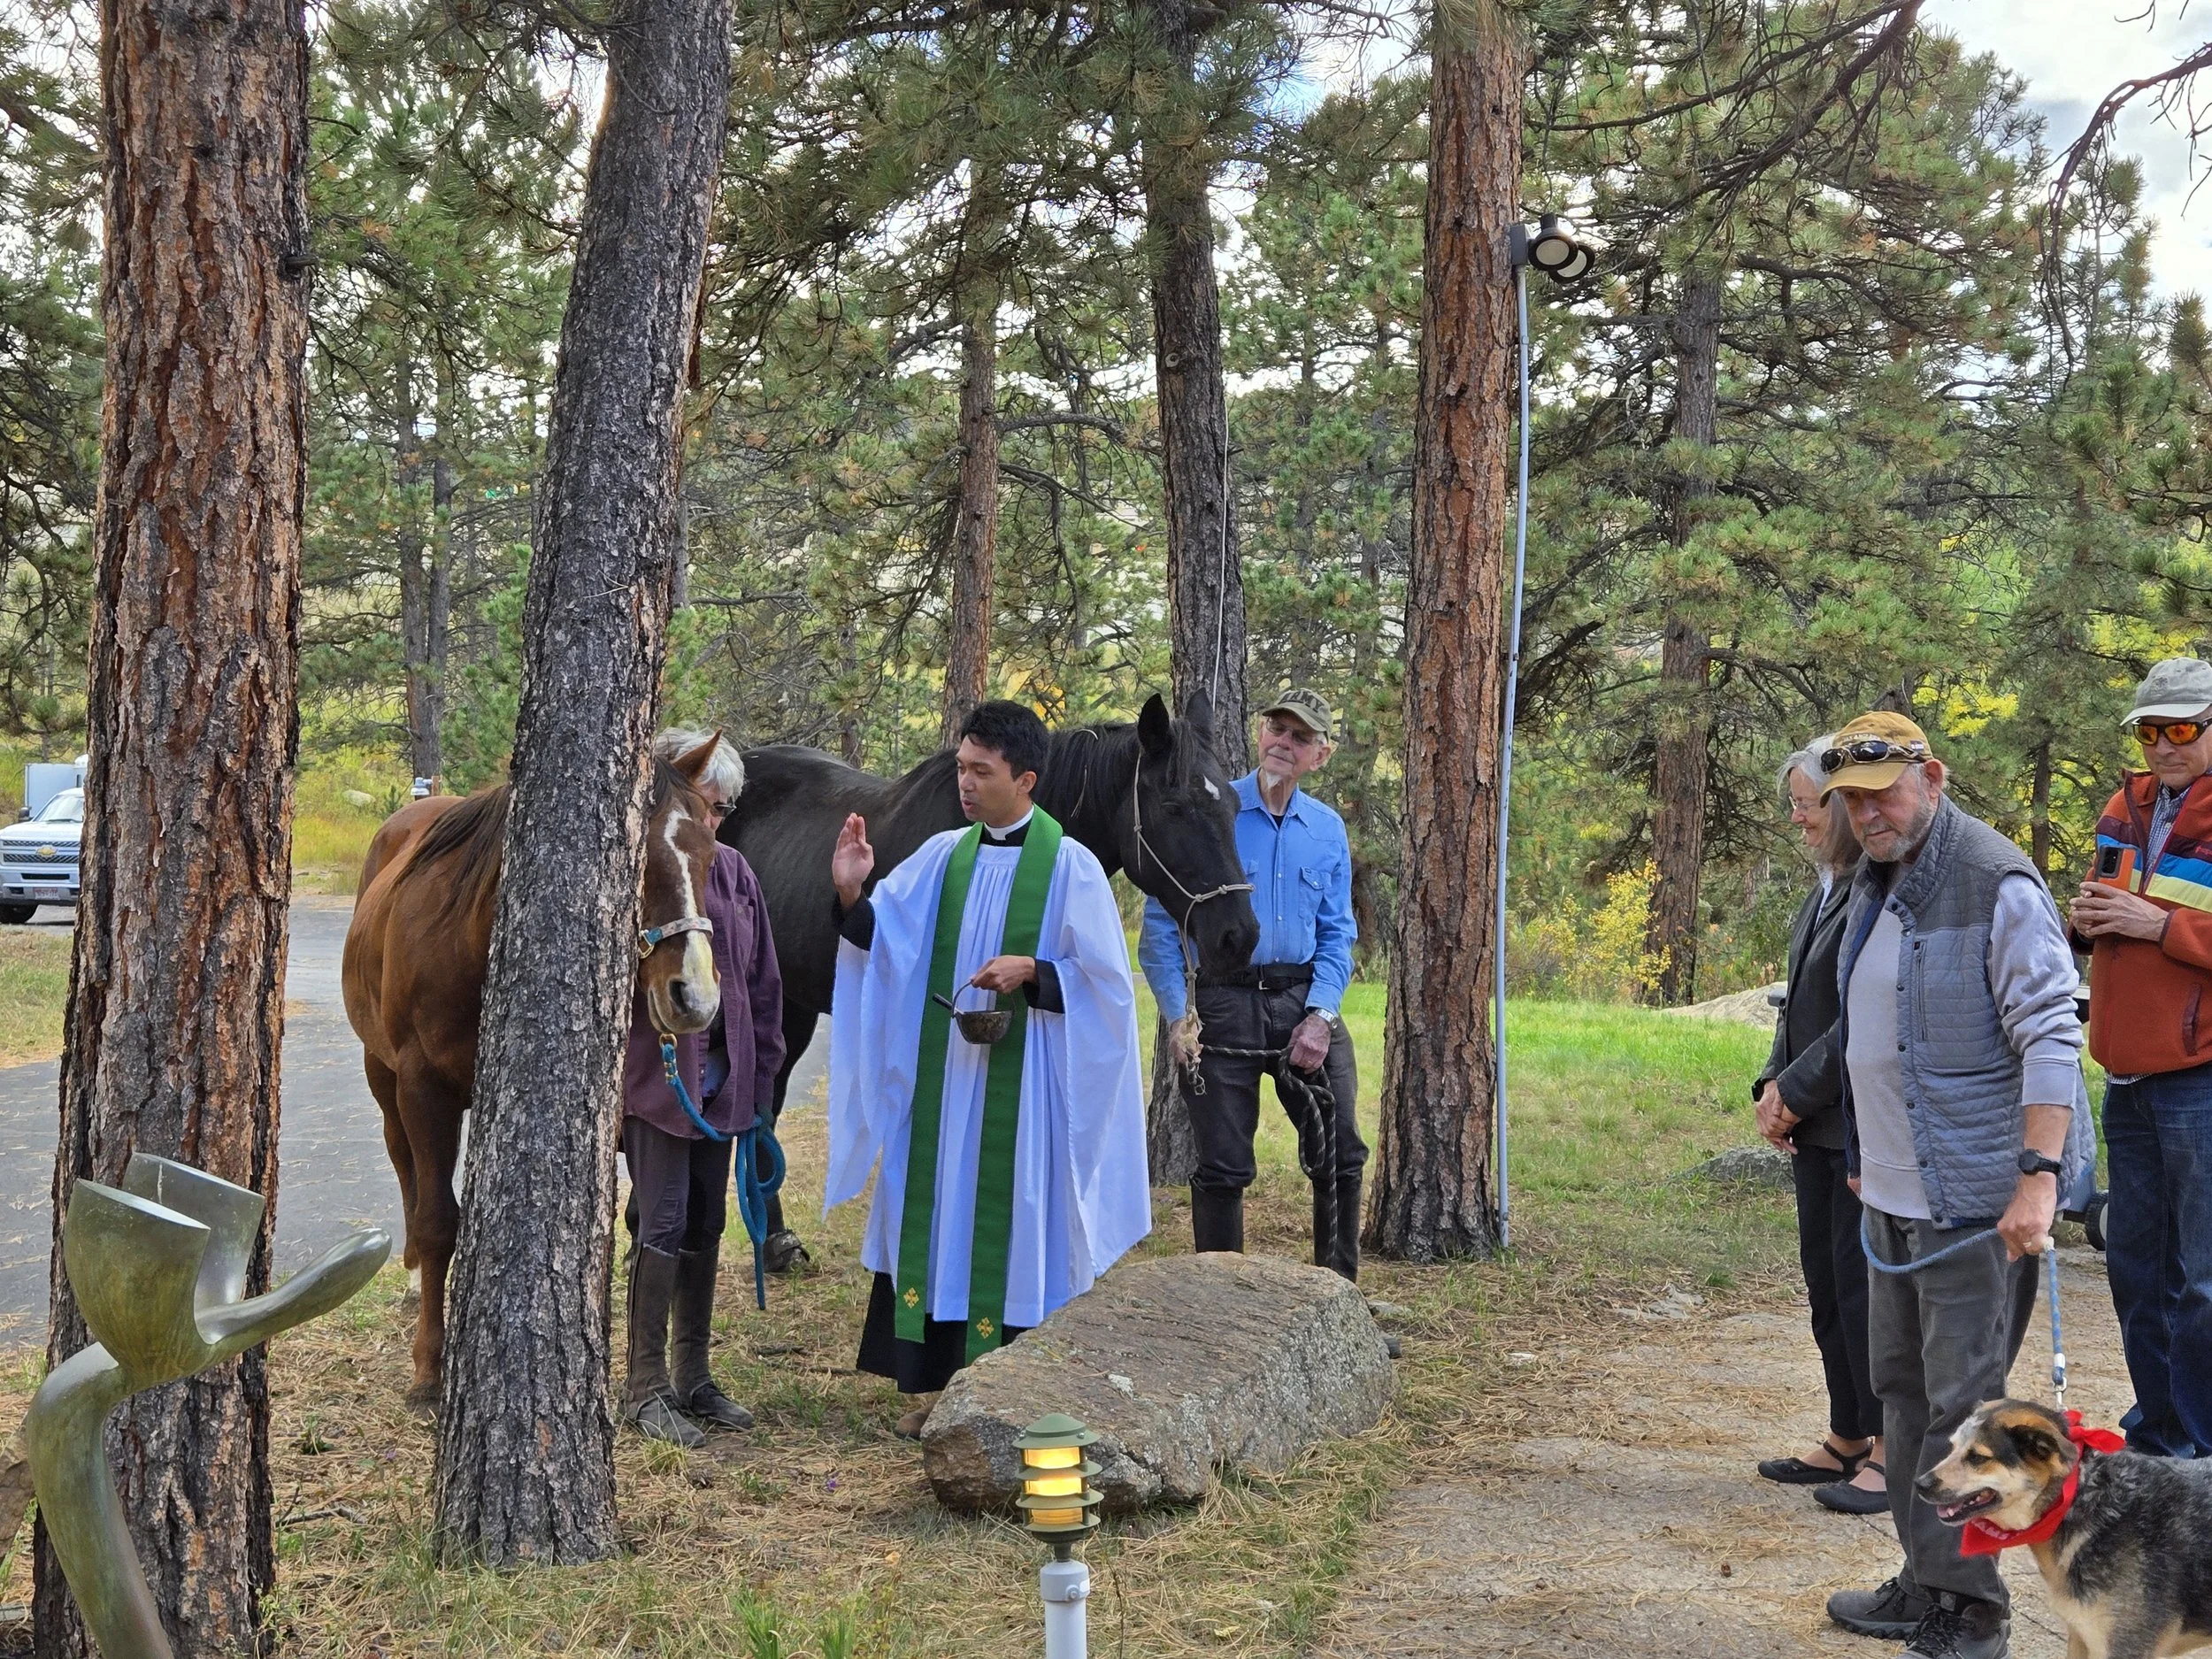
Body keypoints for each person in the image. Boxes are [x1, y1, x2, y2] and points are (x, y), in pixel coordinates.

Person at [1819, 711, 2094, 1659]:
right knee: (1897, 1389)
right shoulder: (1875, 877)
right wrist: (1864, 1147)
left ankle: (1972, 1611)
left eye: (1882, 793)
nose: (1866, 814)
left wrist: (2037, 1179)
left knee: (1959, 1408)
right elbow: (1877, 1031)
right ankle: (1922, 1579)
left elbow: (2052, 1035)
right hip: (1892, 1195)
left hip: (1976, 1199)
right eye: (1849, 800)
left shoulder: (1992, 879)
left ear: (1930, 776)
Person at [825, 700, 1150, 1439]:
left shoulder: (1072, 867)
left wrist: (1035, 970)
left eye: (982, 771)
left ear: (1025, 778)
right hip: (947, 1086)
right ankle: (936, 1390)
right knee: (937, 1216)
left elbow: (1108, 989)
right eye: (962, 767)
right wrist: (852, 889)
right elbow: (888, 946)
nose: (965, 783)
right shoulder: (944, 855)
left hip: (1024, 1089)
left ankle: (1013, 1389)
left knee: (1012, 1223)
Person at [1136, 688, 1363, 1278]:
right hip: (1222, 1001)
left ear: (1321, 754)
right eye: (1277, 729)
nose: (1284, 743)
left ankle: (1338, 1305)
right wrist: (1176, 1016)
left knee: (1339, 1153)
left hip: (1301, 1001)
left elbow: (1339, 933)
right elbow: (1161, 926)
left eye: (1301, 737)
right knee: (1223, 1164)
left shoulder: (1327, 830)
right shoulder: (1213, 808)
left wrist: (1321, 1016)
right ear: (1260, 733)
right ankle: (1222, 1308)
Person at [618, 728, 786, 1448]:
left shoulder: (739, 874)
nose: (714, 821)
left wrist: (762, 1081)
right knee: (659, 1222)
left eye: (722, 809)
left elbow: (762, 982)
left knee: (707, 1224)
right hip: (662, 1085)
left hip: (725, 1090)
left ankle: (694, 1374)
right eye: (706, 805)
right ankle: (644, 1384)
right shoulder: (648, 867)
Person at [2069, 656, 2212, 1459]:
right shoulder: (2124, 806)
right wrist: (2084, 924)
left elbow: (2158, 922)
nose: (2164, 744)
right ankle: (2156, 1429)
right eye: (2151, 729)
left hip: (2200, 1078)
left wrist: (2159, 927)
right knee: (2135, 1268)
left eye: (2184, 727)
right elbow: (2109, 908)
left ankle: (2197, 1446)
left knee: (2201, 1281)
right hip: (2127, 1072)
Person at [1752, 736, 1885, 1517]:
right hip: (1812, 1121)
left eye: (1807, 804)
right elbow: (1797, 999)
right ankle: (1845, 1432)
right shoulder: (1824, 885)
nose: (1798, 818)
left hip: (1856, 1123)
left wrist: (1795, 1090)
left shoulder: (1878, 886)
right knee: (1826, 1287)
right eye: (1797, 804)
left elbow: (1861, 1016)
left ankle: (1883, 1443)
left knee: (1864, 1290)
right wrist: (1773, 1080)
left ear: (1843, 803)